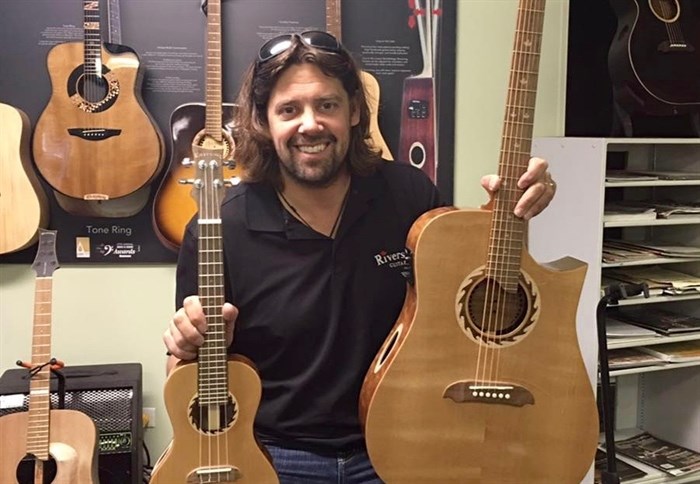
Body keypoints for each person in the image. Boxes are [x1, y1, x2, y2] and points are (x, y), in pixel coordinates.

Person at [163, 30, 557, 483]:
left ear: (354, 111)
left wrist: (508, 213)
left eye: (326, 105)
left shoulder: (408, 194)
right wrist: (189, 344)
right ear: (263, 123)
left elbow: (473, 298)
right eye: (289, 110)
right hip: (275, 456)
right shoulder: (221, 228)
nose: (309, 124)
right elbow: (184, 371)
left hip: (405, 443)